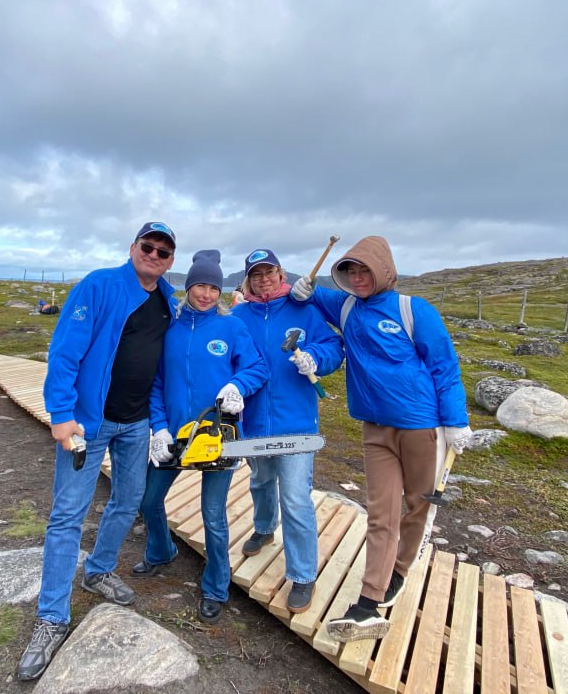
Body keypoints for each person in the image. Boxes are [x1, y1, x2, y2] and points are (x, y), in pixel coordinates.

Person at [17, 221, 179, 682]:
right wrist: (61, 413)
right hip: (89, 422)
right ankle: (51, 618)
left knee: (129, 500)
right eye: (148, 246)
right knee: (68, 514)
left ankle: (99, 570)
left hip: (137, 423)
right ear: (133, 248)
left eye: (163, 252)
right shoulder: (99, 285)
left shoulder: (167, 299)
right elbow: (65, 352)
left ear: (170, 261)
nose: (154, 255)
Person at [290, 236, 471, 642]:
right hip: (374, 427)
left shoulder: (413, 310)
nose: (358, 278)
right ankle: (369, 603)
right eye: (351, 271)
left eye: (365, 270)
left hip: (422, 427)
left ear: (383, 270)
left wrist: (456, 422)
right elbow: (311, 296)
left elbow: (444, 366)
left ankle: (401, 570)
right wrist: (299, 289)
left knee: (418, 505)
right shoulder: (348, 305)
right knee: (381, 511)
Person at [136, 250, 268, 624]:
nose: (206, 294)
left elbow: (256, 366)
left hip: (218, 436)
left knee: (213, 515)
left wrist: (237, 384)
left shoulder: (231, 327)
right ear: (189, 287)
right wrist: (158, 427)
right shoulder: (171, 328)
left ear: (220, 290)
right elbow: (158, 382)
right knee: (148, 501)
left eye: (213, 287)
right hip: (175, 434)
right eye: (200, 286)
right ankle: (161, 552)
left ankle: (215, 587)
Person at [230, 248, 343, 613]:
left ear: (281, 274)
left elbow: (333, 348)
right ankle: (264, 527)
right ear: (247, 280)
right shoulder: (237, 315)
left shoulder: (304, 310)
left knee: (295, 497)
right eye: (256, 274)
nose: (263, 279)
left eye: (269, 272)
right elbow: (224, 356)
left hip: (295, 422)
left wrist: (317, 359)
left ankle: (303, 574)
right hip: (252, 422)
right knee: (261, 482)